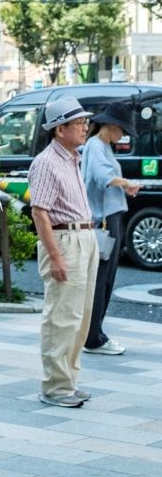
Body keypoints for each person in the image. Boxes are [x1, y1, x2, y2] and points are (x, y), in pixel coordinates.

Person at [28, 96, 98, 408]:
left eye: (85, 121)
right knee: (62, 316)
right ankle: (55, 387)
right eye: (80, 122)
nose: (86, 127)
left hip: (84, 237)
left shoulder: (73, 158)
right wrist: (55, 255)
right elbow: (39, 213)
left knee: (80, 316)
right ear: (60, 129)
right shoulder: (46, 163)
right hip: (64, 241)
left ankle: (68, 381)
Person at [82, 102, 140, 356]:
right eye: (122, 131)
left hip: (108, 217)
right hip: (104, 219)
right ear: (112, 126)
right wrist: (127, 182)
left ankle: (96, 334)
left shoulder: (101, 146)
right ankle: (93, 338)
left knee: (104, 280)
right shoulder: (96, 145)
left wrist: (124, 185)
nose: (123, 136)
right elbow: (103, 177)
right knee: (101, 280)